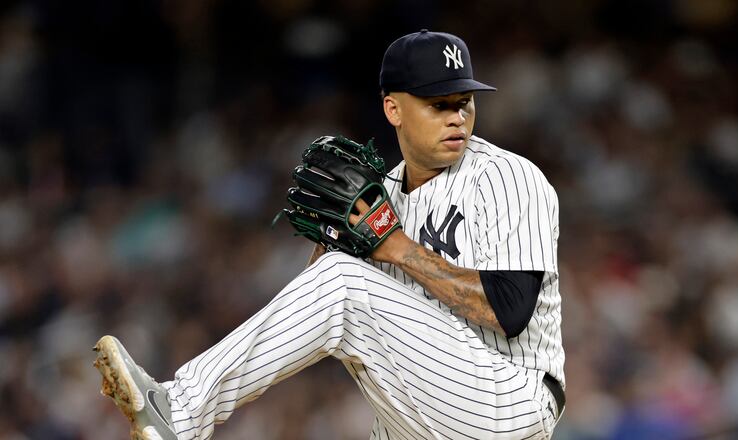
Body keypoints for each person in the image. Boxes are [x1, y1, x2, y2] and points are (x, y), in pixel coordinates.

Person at [94, 29, 565, 440]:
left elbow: (510, 309)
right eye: (439, 104)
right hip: (420, 415)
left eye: (464, 102)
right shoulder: (378, 198)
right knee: (338, 279)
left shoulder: (506, 177)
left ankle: (181, 409)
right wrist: (329, 241)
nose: (457, 117)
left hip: (508, 398)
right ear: (393, 109)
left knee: (344, 281)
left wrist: (394, 249)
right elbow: (319, 316)